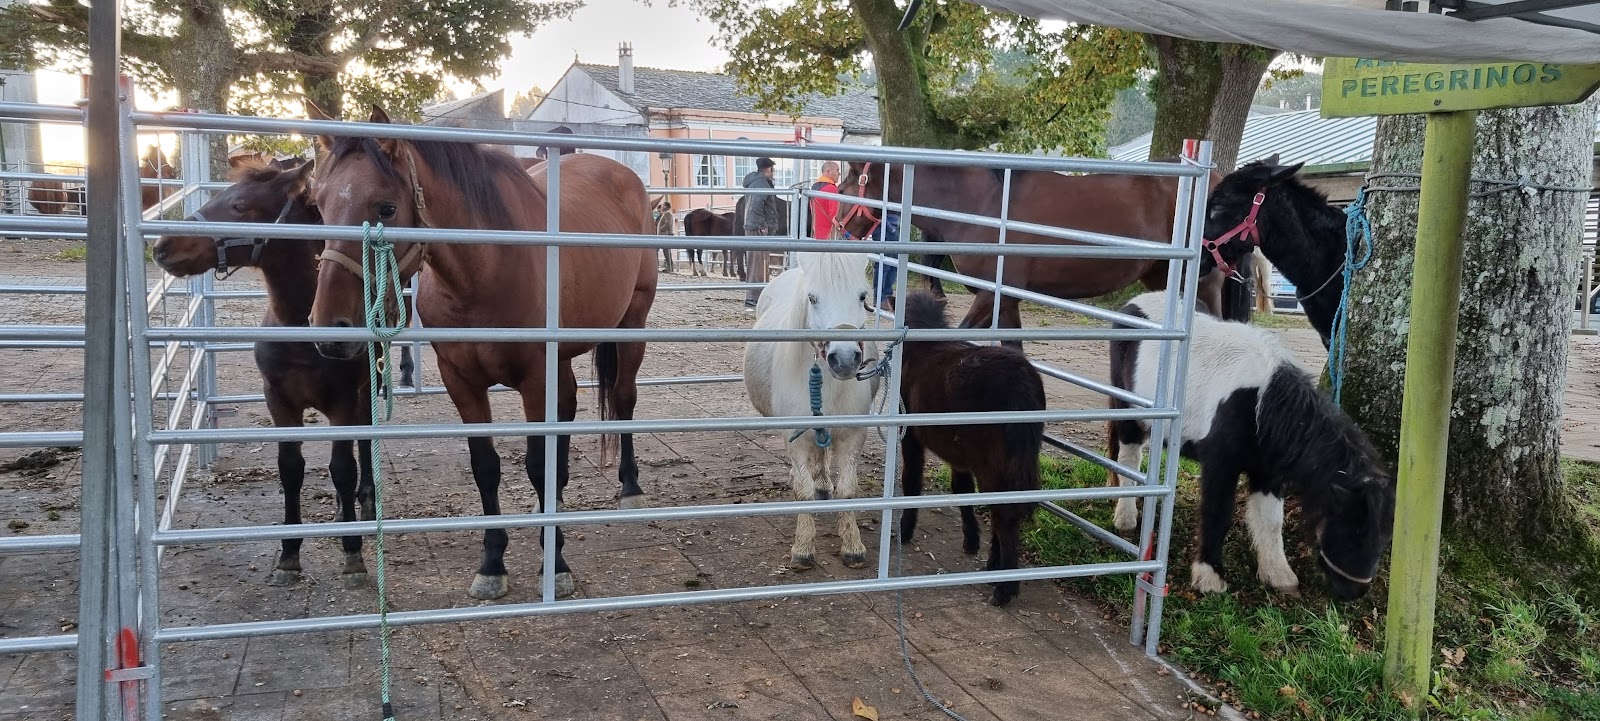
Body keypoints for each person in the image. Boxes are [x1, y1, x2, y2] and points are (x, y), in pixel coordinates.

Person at [741, 157, 779, 309]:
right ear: (769, 169)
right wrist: (763, 224)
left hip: (753, 226)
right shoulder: (762, 182)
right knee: (758, 263)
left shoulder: (753, 181)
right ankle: (754, 298)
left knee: (756, 262)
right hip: (757, 227)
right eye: (773, 170)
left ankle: (757, 295)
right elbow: (757, 205)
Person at [869, 210, 903, 306]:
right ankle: (880, 299)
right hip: (884, 230)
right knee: (883, 266)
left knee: (893, 266)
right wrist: (890, 229)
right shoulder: (883, 195)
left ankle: (887, 297)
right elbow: (879, 212)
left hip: (892, 229)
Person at [808, 161, 841, 240]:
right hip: (829, 237)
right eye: (837, 170)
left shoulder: (814, 188)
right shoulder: (832, 189)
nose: (839, 174)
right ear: (828, 171)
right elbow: (835, 217)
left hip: (816, 236)